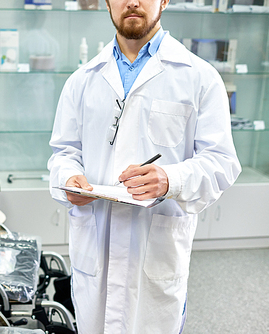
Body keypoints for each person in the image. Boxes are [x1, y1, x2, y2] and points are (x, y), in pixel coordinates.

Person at [47, 0, 241, 333]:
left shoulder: (199, 78)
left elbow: (221, 162)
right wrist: (68, 178)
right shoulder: (82, 80)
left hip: (155, 254)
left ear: (164, 0)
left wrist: (171, 180)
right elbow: (64, 152)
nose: (133, 2)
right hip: (96, 249)